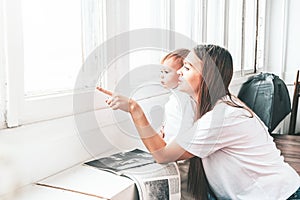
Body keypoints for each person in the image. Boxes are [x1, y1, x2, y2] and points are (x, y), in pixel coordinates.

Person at [97, 44, 300, 199]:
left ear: (206, 77)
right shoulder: (214, 106)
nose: (178, 73)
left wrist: (134, 109)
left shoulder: (221, 117)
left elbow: (163, 155)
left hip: (278, 195)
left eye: (186, 67)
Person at [159, 48, 197, 200]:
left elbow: (187, 129)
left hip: (182, 158)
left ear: (182, 74)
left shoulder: (185, 100)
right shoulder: (174, 98)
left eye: (167, 72)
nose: (162, 76)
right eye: (161, 72)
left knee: (185, 192)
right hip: (174, 153)